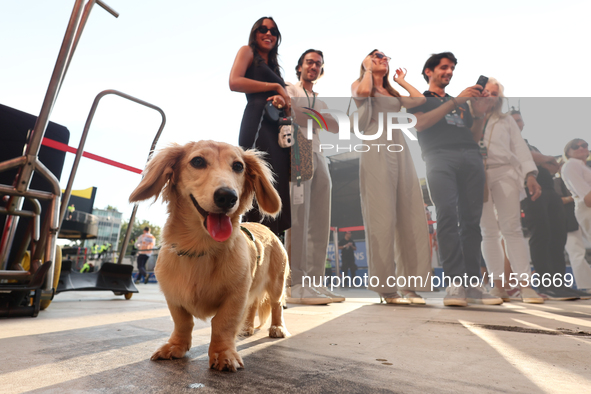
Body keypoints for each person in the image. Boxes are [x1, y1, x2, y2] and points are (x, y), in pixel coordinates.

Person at [408, 52, 502, 306]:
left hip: (470, 156)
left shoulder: (461, 103)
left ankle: (474, 285)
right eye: (443, 67)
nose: (449, 72)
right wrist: (454, 102)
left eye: (451, 68)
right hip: (439, 157)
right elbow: (420, 124)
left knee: (472, 221)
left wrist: (480, 113)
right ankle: (454, 284)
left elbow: (472, 135)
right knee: (447, 214)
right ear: (429, 71)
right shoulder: (421, 99)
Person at [352, 50, 431, 305]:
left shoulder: (394, 93)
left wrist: (401, 81)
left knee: (412, 214)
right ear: (366, 61)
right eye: (376, 56)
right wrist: (367, 70)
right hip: (375, 150)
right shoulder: (361, 85)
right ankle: (386, 288)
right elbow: (362, 94)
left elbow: (419, 100)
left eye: (385, 57)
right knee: (382, 218)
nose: (383, 59)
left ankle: (411, 286)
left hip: (400, 150)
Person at [476, 78, 544, 303]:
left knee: (512, 228)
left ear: (499, 98)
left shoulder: (506, 121)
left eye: (495, 93)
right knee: (488, 231)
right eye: (487, 92)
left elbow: (520, 148)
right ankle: (498, 286)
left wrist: (530, 175)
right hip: (477, 174)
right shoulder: (468, 117)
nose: (490, 96)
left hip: (505, 172)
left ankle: (526, 287)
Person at [284, 49, 343, 304]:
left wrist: (312, 116)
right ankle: (294, 283)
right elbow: (292, 113)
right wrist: (319, 118)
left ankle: (315, 283)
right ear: (300, 67)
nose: (314, 66)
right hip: (298, 151)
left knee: (320, 219)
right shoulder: (290, 88)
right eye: (310, 62)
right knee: (299, 219)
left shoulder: (320, 98)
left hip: (320, 154)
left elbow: (338, 125)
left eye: (318, 63)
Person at [229, 17, 291, 236]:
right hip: (257, 120)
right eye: (263, 29)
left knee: (277, 183)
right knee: (257, 177)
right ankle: (250, 241)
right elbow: (234, 82)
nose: (269, 33)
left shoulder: (274, 67)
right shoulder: (248, 52)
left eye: (273, 31)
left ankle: (272, 243)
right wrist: (274, 86)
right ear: (255, 33)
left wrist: (282, 99)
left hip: (277, 128)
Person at [516, 113, 584, 300]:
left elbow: (548, 166)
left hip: (549, 189)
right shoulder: (511, 141)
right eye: (512, 120)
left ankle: (559, 284)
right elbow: (532, 158)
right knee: (541, 235)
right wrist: (545, 158)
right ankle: (547, 286)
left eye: (519, 119)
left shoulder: (530, 143)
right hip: (529, 191)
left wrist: (547, 163)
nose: (516, 122)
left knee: (558, 235)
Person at [555, 162, 591, 292]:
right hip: (567, 219)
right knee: (576, 252)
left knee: (577, 252)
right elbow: (558, 200)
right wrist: (574, 197)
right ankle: (586, 286)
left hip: (579, 214)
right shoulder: (556, 181)